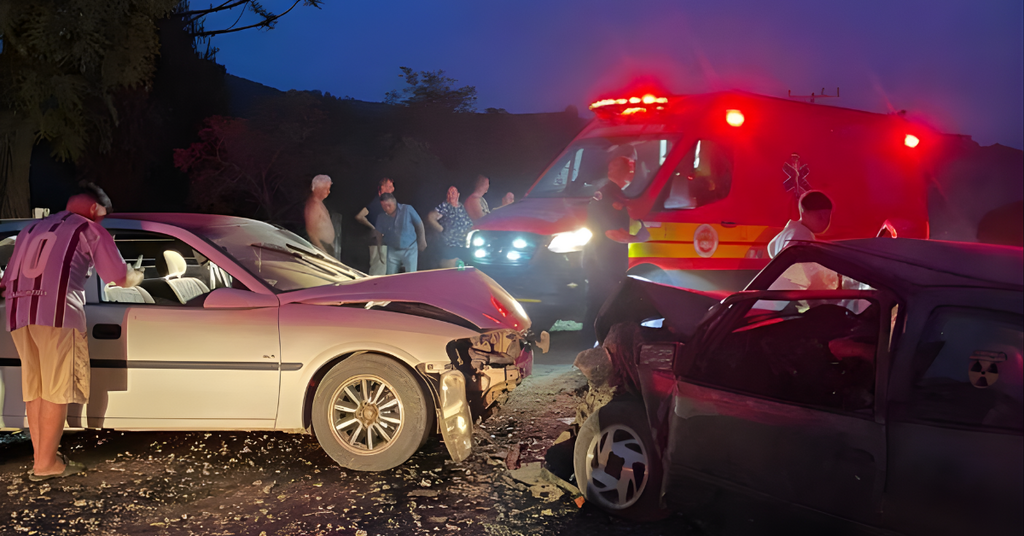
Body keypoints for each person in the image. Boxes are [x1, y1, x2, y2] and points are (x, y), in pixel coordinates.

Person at [0, 184, 143, 481]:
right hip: (58, 315)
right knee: (56, 390)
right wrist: (135, 277)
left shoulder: (30, 229)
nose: (102, 219)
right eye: (103, 214)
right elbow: (118, 276)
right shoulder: (88, 229)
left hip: (19, 314)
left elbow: (6, 280)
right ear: (94, 208)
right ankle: (46, 465)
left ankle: (42, 459)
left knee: (36, 391)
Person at [582, 156, 636, 345]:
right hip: (603, 262)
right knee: (601, 305)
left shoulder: (617, 193)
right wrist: (641, 240)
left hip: (606, 260)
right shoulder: (607, 195)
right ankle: (589, 347)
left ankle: (594, 345)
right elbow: (612, 232)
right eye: (630, 169)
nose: (633, 173)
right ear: (624, 172)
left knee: (603, 304)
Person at [767, 190, 833, 258]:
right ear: (803, 211)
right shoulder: (802, 236)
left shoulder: (792, 230)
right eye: (820, 217)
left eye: (828, 217)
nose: (825, 222)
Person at [375, 193, 427, 274]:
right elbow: (378, 234)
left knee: (411, 275)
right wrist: (379, 250)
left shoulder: (407, 209)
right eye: (383, 206)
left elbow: (419, 224)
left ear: (394, 203)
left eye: (388, 205)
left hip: (410, 249)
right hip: (392, 250)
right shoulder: (381, 216)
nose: (386, 209)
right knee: (390, 276)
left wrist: (422, 240)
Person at [355, 178, 395, 275]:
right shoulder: (378, 202)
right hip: (379, 243)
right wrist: (374, 228)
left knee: (382, 270)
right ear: (382, 188)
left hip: (382, 243)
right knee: (378, 271)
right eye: (389, 186)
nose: (392, 189)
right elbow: (359, 216)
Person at [427, 186, 474, 268]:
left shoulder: (461, 207)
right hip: (450, 244)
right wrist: (441, 229)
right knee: (453, 268)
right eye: (449, 193)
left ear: (458, 195)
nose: (451, 195)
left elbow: (469, 223)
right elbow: (431, 217)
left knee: (465, 268)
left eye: (453, 193)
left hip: (463, 244)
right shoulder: (445, 206)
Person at [304, 174, 340, 259]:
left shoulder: (319, 203)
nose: (328, 192)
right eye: (326, 189)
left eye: (329, 189)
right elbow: (311, 233)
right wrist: (323, 253)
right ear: (318, 189)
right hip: (321, 248)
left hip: (328, 247)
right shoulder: (313, 205)